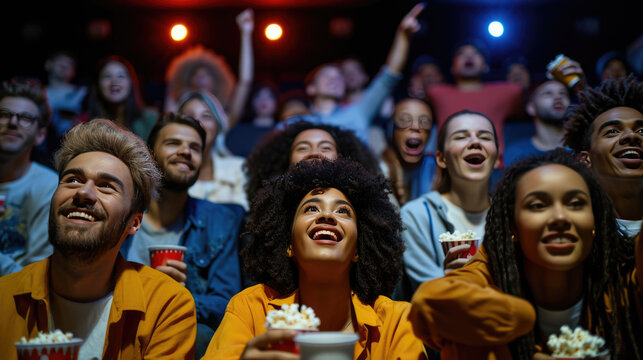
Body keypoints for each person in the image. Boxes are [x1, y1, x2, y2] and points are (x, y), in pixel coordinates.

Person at [408, 149, 642, 359]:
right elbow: (429, 302)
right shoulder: (491, 272)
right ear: (513, 227)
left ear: (595, 220)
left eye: (575, 203)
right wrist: (522, 318)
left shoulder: (624, 279)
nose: (560, 218)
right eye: (538, 205)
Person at [0, 119, 196, 359]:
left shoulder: (166, 305)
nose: (84, 192)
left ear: (134, 222)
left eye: (106, 186)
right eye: (73, 180)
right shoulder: (4, 298)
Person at [203, 158, 427, 359]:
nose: (327, 215)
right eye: (311, 208)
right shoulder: (250, 309)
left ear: (359, 250)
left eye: (343, 212)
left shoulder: (397, 323)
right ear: (289, 245)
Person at [120, 112, 243, 357]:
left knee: (202, 334)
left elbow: (227, 303)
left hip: (179, 331)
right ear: (150, 155)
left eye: (195, 148)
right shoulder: (120, 213)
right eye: (173, 143)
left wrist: (175, 296)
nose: (186, 151)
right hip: (121, 324)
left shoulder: (219, 220)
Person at [282, 4, 424, 153]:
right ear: (311, 88)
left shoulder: (359, 112)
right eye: (326, 75)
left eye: (339, 77)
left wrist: (403, 36)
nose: (334, 79)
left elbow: (389, 76)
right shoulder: (297, 120)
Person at [399, 110, 499, 299]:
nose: (475, 142)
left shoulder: (512, 216)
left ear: (497, 159)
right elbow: (428, 292)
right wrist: (448, 279)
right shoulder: (417, 216)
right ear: (441, 159)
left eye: (485, 137)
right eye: (461, 136)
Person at [563, 74, 643, 238]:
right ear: (585, 159)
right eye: (612, 131)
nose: (632, 136)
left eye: (642, 131)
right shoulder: (573, 232)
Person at [425, 38, 523, 167]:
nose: (469, 56)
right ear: (452, 67)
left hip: (491, 167)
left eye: (476, 53)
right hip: (449, 167)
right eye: (461, 54)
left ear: (485, 66)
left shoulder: (506, 92)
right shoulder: (437, 93)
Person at [243, 120, 381, 206]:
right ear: (287, 161)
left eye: (325, 147)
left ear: (342, 157)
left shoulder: (361, 205)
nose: (314, 153)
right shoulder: (269, 209)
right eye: (303, 148)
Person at [0, 78, 58, 276]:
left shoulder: (48, 187)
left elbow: (35, 278)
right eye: (4, 115)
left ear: (40, 134)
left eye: (25, 117)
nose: (13, 122)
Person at [164, 8, 254, 128]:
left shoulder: (225, 119)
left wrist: (246, 33)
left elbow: (245, 81)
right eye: (196, 74)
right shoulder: (177, 113)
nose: (198, 120)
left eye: (206, 116)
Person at [177, 90, 249, 210]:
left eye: (206, 116)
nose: (197, 122)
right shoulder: (167, 172)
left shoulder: (239, 169)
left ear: (218, 127)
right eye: (189, 116)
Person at [82, 55, 159, 140]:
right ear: (98, 84)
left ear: (131, 83)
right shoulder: (84, 123)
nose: (114, 81)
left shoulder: (149, 119)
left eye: (121, 76)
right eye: (107, 76)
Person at [380, 97, 435, 207]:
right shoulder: (379, 173)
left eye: (425, 122)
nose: (415, 126)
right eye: (404, 120)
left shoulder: (435, 169)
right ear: (391, 131)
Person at [504, 79, 571, 166]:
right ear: (531, 108)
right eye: (548, 93)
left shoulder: (581, 147)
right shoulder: (516, 153)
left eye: (563, 93)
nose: (558, 97)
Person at [225, 81, 280, 157]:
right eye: (258, 96)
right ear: (251, 101)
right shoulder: (239, 131)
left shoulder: (282, 130)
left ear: (277, 102)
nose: (263, 100)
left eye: (270, 96)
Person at [44, 51, 87, 138]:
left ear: (74, 72)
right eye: (60, 61)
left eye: (69, 63)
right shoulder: (38, 92)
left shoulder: (84, 93)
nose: (64, 65)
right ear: (48, 65)